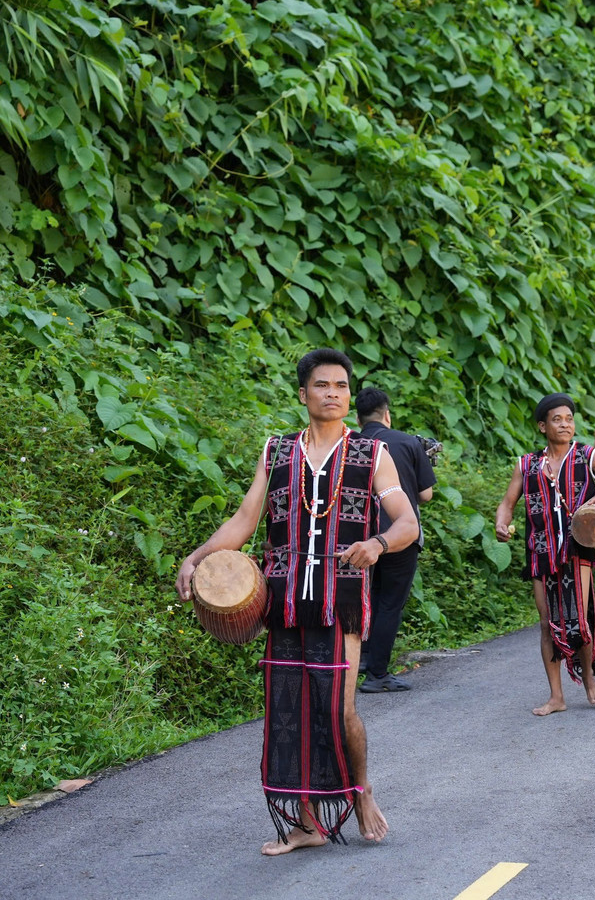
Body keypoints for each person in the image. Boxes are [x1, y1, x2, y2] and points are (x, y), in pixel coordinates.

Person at [175, 348, 418, 855]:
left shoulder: (372, 453)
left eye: (342, 386)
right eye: (323, 385)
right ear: (303, 394)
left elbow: (407, 523)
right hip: (282, 597)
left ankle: (361, 790)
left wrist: (377, 544)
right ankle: (306, 824)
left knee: (339, 708)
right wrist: (196, 559)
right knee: (289, 708)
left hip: (340, 598)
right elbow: (245, 520)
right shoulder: (277, 451)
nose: (333, 393)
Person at [495, 394, 595, 716]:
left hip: (578, 548)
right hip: (540, 551)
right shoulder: (526, 464)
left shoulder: (587, 456)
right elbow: (507, 503)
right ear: (542, 426)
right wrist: (501, 523)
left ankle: (588, 678)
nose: (565, 424)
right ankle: (556, 696)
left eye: (569, 419)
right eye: (557, 420)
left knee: (579, 619)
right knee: (547, 623)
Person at [355, 387, 437, 693]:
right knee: (390, 603)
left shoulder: (349, 445)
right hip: (400, 534)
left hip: (360, 538)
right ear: (387, 414)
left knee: (367, 598)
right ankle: (377, 674)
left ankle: (363, 659)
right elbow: (425, 495)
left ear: (358, 419)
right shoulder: (408, 442)